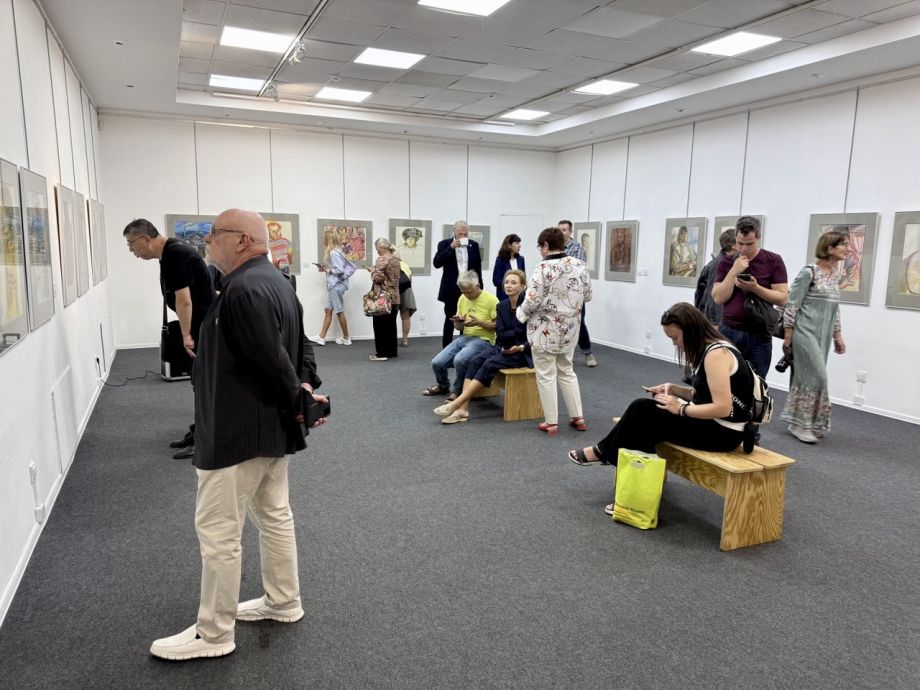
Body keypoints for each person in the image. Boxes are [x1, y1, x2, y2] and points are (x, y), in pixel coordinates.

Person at [149, 209, 328, 661]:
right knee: (274, 517)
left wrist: (299, 399)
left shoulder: (245, 289)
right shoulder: (274, 282)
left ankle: (214, 633)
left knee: (219, 534)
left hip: (237, 434)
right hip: (267, 431)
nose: (207, 241)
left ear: (243, 241)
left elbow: (272, 359)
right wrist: (305, 390)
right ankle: (283, 601)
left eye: (215, 234)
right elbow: (300, 347)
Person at [569, 303, 753, 515]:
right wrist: (674, 389)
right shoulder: (712, 349)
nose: (675, 344)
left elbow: (722, 408)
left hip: (724, 433)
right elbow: (705, 395)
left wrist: (681, 409)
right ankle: (631, 491)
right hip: (714, 424)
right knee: (645, 416)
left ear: (690, 330)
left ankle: (611, 464)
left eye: (675, 338)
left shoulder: (716, 354)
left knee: (643, 412)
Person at [123, 218, 215, 460]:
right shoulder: (171, 252)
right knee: (199, 382)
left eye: (131, 244)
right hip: (202, 325)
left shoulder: (175, 255)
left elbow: (184, 300)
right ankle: (199, 431)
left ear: (145, 239)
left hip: (202, 328)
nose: (132, 251)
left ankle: (205, 440)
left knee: (204, 384)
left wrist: (186, 335)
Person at [519, 227, 592, 436]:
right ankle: (578, 416)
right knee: (567, 370)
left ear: (546, 245)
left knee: (545, 374)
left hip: (545, 330)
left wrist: (520, 314)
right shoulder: (580, 265)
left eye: (540, 247)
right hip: (570, 329)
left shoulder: (542, 268)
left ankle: (551, 422)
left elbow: (531, 301)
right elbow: (588, 295)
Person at [433, 269, 532, 424]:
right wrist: (513, 333)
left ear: (523, 286)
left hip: (523, 351)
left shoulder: (529, 307)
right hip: (503, 346)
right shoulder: (502, 306)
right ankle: (463, 410)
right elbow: (501, 332)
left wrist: (519, 344)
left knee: (489, 363)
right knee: (475, 361)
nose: (509, 285)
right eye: (506, 282)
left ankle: (456, 403)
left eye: (514, 283)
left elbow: (533, 335)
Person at [780, 232, 848, 443]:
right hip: (805, 332)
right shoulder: (808, 273)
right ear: (830, 248)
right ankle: (801, 425)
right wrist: (788, 335)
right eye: (843, 245)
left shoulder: (835, 275)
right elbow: (792, 304)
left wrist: (838, 335)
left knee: (807, 377)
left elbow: (835, 309)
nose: (847, 248)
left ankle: (802, 423)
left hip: (823, 335)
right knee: (818, 376)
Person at [711, 215, 788, 378]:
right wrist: (734, 271)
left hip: (759, 334)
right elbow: (718, 298)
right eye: (740, 243)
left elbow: (782, 298)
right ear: (735, 238)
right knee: (725, 380)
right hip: (729, 330)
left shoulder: (773, 260)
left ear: (758, 237)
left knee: (756, 383)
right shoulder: (726, 262)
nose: (744, 249)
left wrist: (756, 288)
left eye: (749, 244)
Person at [423, 270, 498, 401]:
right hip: (465, 337)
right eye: (463, 292)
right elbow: (459, 328)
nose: (466, 295)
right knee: (437, 362)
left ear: (477, 285)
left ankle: (458, 391)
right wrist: (458, 323)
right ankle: (443, 385)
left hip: (484, 340)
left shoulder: (491, 300)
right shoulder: (462, 298)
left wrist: (479, 323)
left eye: (469, 292)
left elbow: (498, 326)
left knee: (460, 360)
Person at [434, 220, 482, 348]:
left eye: (465, 234)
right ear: (454, 232)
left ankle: (464, 347)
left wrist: (480, 286)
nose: (462, 236)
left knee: (467, 318)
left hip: (469, 288)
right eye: (460, 233)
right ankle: (446, 348)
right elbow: (437, 263)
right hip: (451, 288)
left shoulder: (474, 245)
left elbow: (478, 268)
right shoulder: (444, 244)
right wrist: (451, 248)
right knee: (450, 319)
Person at [558, 220, 596, 367]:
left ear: (570, 232)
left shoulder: (577, 248)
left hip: (575, 293)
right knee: (560, 322)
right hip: (559, 292)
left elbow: (577, 269)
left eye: (564, 230)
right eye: (559, 230)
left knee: (579, 322)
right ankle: (565, 353)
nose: (561, 232)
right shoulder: (556, 247)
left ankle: (588, 353)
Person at [308, 231, 352, 346]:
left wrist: (327, 270)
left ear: (328, 239)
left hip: (336, 285)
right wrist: (326, 269)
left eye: (324, 238)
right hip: (335, 284)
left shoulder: (333, 252)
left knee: (339, 311)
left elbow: (339, 270)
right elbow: (337, 268)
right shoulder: (338, 251)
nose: (323, 240)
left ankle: (347, 338)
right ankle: (321, 337)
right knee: (328, 310)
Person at [368, 237, 401, 361]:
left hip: (383, 297)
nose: (377, 251)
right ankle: (391, 351)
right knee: (391, 325)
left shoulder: (382, 259)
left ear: (382, 247)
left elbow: (378, 278)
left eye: (377, 248)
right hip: (394, 296)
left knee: (380, 325)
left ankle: (381, 353)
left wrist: (372, 271)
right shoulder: (395, 258)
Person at [695, 228, 736, 325]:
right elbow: (713, 296)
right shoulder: (718, 264)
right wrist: (716, 323)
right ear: (734, 245)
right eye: (740, 242)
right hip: (716, 321)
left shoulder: (728, 262)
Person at [492, 234, 525, 301]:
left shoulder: (521, 259)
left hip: (519, 296)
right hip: (504, 296)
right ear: (509, 245)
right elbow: (496, 280)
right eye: (517, 243)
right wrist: (510, 285)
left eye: (519, 243)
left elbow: (523, 277)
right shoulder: (500, 260)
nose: (520, 245)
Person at [398, 258, 417, 347]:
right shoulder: (405, 265)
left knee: (390, 317)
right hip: (406, 290)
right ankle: (405, 340)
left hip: (393, 291)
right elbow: (409, 280)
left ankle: (391, 340)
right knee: (406, 316)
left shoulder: (388, 264)